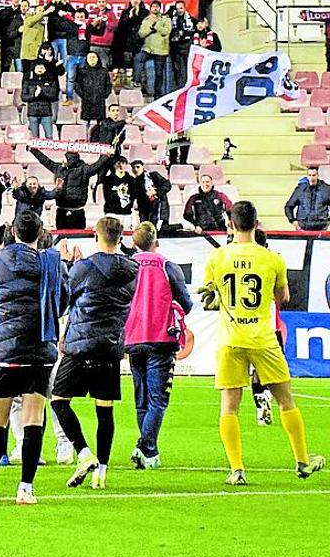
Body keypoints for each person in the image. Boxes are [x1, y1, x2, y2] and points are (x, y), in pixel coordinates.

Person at [201, 201, 324, 485]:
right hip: (263, 339)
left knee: (229, 407)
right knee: (286, 401)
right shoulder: (272, 259)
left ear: (231, 225)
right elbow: (282, 297)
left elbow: (209, 296)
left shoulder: (217, 258)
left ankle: (237, 470)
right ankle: (303, 462)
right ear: (257, 224)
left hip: (230, 339)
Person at [0, 211, 68, 504]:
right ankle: (26, 488)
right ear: (40, 233)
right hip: (40, 351)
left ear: (12, 231)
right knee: (34, 419)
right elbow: (62, 302)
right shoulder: (53, 263)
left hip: (5, 352)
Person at [51, 217, 139, 490]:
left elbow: (64, 298)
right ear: (121, 237)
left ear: (95, 236)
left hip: (80, 344)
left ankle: (83, 452)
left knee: (58, 400)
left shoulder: (85, 267)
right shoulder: (132, 270)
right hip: (110, 346)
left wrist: (67, 266)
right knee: (105, 410)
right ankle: (101, 470)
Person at [124, 222, 193, 470]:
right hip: (161, 338)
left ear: (134, 243)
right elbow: (186, 302)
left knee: (141, 399)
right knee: (158, 400)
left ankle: (149, 453)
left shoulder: (127, 266)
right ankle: (145, 446)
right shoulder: (167, 266)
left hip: (133, 338)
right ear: (156, 240)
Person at [30, 147, 110, 231]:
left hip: (65, 212)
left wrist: (33, 150)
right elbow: (98, 165)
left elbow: (45, 161)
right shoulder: (84, 169)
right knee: (78, 237)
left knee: (62, 237)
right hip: (76, 212)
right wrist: (107, 155)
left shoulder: (61, 168)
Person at [138, 0, 172, 100]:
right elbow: (141, 34)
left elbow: (166, 31)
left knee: (159, 73)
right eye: (153, 7)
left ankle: (157, 95)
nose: (155, 8)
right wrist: (150, 28)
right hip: (148, 49)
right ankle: (142, 87)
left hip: (161, 50)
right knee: (138, 61)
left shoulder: (165, 19)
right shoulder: (146, 20)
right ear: (150, 8)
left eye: (157, 6)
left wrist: (156, 25)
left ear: (160, 8)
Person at [22, 58, 60, 139]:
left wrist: (42, 94)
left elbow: (53, 96)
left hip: (46, 113)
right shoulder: (28, 81)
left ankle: (49, 151)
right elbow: (24, 97)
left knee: (49, 137)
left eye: (41, 67)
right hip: (33, 113)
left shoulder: (50, 80)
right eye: (37, 67)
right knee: (35, 138)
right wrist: (34, 95)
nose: (39, 69)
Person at [285, 167, 330, 231]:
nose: (312, 178)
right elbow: (288, 206)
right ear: (307, 176)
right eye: (309, 175)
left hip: (321, 228)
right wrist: (293, 221)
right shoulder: (300, 189)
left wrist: (328, 222)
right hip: (302, 228)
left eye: (314, 175)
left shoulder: (326, 189)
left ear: (317, 175)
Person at [75, 52, 113, 130]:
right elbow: (77, 84)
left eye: (94, 57)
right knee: (86, 123)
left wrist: (105, 94)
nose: (92, 59)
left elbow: (108, 84)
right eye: (90, 57)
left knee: (101, 123)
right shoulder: (82, 71)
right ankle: (87, 139)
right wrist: (82, 94)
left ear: (97, 59)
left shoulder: (104, 71)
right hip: (87, 101)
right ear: (87, 60)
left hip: (100, 101)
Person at [130, 160, 172, 228]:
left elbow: (167, 185)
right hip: (145, 211)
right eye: (133, 168)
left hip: (159, 208)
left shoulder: (153, 175)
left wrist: (156, 191)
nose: (135, 169)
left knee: (159, 231)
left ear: (143, 167)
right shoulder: (134, 182)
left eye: (138, 167)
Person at [97, 157, 136, 230]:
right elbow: (108, 197)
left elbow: (133, 196)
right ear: (114, 165)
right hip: (112, 213)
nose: (121, 165)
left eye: (123, 163)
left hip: (126, 213)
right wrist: (120, 193)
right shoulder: (108, 180)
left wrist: (126, 196)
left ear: (126, 165)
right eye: (118, 163)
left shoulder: (131, 180)